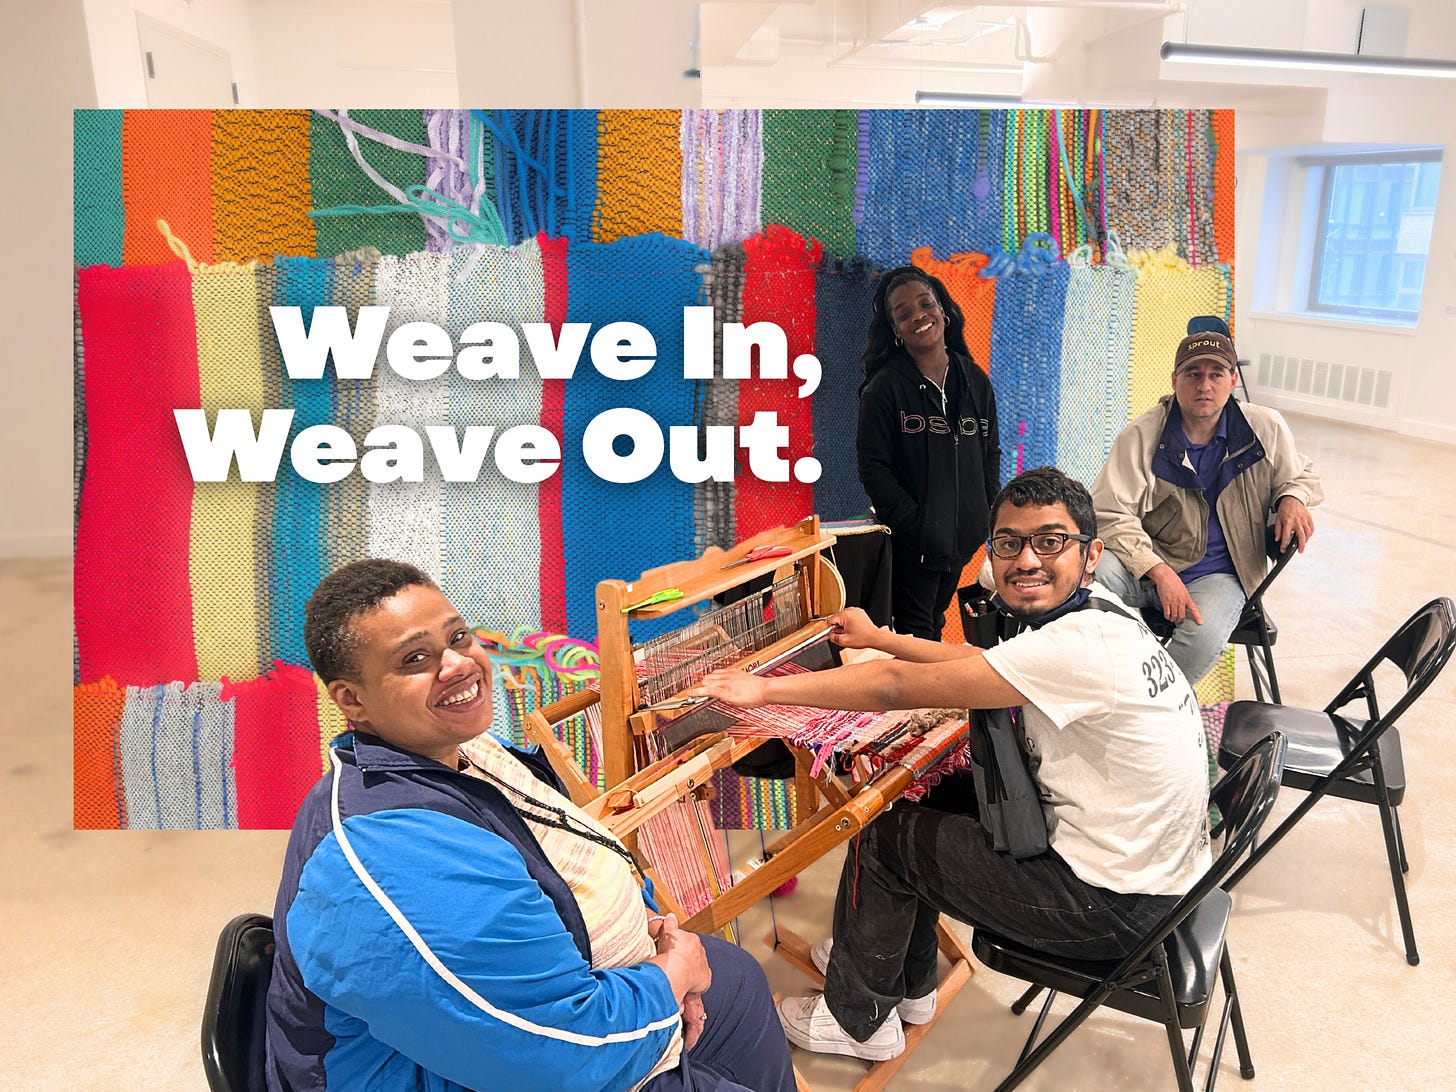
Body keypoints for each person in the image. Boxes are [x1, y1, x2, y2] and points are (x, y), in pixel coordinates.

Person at [690, 467, 1211, 1062]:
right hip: (1157, 880)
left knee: (887, 838)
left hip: (1109, 908)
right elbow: (978, 663)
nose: (1026, 559)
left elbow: (893, 688)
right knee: (918, 800)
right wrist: (881, 636)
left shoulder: (1079, 646)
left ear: (1090, 555)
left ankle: (857, 1021)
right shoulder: (1101, 612)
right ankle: (900, 985)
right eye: (1009, 543)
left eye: (1050, 540)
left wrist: (764, 691)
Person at [265, 559, 795, 1092]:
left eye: (459, 636)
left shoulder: (462, 755)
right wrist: (673, 974)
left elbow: (569, 843)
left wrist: (658, 937)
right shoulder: (389, 855)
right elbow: (558, 1057)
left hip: (530, 1038)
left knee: (737, 979)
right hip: (472, 1070)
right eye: (415, 658)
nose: (456, 664)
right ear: (352, 700)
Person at [1091, 327, 1322, 685]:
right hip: (1149, 564)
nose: (1204, 385)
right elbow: (1109, 512)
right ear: (1174, 380)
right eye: (1193, 374)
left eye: (1216, 374)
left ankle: (1148, 705)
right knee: (1088, 577)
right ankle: (1106, 678)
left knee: (1202, 636)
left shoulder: (1265, 426)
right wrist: (1158, 570)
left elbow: (1301, 473)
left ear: (1232, 381)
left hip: (1220, 575)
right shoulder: (1142, 435)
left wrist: (1292, 496)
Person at [857, 266, 1001, 641]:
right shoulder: (884, 390)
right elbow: (873, 469)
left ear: (943, 310)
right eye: (904, 314)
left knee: (932, 620)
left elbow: (990, 453)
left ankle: (924, 693)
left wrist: (984, 514)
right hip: (913, 544)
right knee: (917, 633)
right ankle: (922, 695)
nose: (919, 315)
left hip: (961, 540)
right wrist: (916, 525)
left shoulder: (974, 380)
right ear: (895, 329)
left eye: (926, 304)